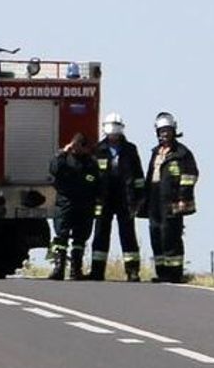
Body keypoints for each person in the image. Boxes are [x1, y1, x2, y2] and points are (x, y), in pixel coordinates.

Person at [144, 112, 199, 282]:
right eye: (161, 131)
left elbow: (190, 176)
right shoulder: (156, 152)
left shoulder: (182, 153)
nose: (164, 134)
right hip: (154, 199)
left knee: (171, 235)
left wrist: (183, 198)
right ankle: (162, 272)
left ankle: (174, 273)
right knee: (156, 233)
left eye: (167, 130)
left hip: (173, 201)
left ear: (174, 131)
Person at [90, 113, 145, 281]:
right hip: (103, 198)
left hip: (125, 198)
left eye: (115, 133)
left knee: (128, 235)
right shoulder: (98, 149)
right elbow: (92, 176)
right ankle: (97, 271)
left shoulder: (130, 149)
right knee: (100, 234)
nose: (113, 136)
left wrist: (139, 198)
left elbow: (138, 177)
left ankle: (132, 271)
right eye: (110, 133)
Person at [48, 132, 98, 280]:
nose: (76, 149)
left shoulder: (90, 162)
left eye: (79, 146)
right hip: (65, 204)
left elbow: (97, 183)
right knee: (61, 237)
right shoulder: (64, 159)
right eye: (74, 146)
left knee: (80, 238)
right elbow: (54, 169)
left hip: (85, 205)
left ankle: (76, 269)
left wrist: (97, 200)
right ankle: (59, 268)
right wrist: (63, 152)